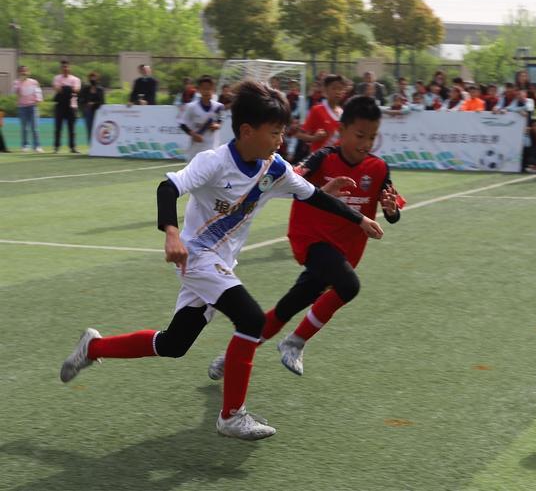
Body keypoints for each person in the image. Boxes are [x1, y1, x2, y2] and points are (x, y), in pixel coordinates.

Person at [59, 80, 384, 441]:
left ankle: (93, 347)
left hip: (220, 264)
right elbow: (168, 188)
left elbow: (311, 197)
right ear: (247, 131)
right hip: (197, 256)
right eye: (274, 132)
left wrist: (358, 218)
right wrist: (170, 232)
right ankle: (232, 416)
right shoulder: (213, 162)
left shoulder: (273, 167)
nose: (280, 141)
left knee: (174, 344)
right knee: (250, 319)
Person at [207, 95, 401, 380]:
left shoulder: (379, 168)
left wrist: (391, 211)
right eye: (360, 135)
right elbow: (290, 180)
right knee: (348, 286)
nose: (366, 143)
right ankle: (294, 342)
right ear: (342, 130)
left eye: (372, 137)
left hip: (345, 253)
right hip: (312, 240)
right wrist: (320, 189)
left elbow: (393, 211)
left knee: (286, 308)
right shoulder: (324, 158)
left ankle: (230, 357)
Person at [178, 75, 225, 162]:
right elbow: (182, 123)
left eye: (209, 88)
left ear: (213, 89)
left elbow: (220, 120)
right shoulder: (191, 106)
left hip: (212, 147)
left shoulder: (218, 106)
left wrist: (217, 125)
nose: (207, 91)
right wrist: (193, 134)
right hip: (196, 147)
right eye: (204, 88)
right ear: (199, 90)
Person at [297, 74, 345, 153]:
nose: (338, 92)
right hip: (318, 159)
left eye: (340, 89)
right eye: (334, 88)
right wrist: (314, 138)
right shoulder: (317, 110)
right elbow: (299, 134)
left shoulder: (342, 113)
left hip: (335, 159)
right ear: (325, 90)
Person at [53, 60, 82, 153]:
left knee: (72, 128)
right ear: (61, 68)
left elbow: (77, 90)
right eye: (63, 67)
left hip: (72, 105)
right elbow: (57, 89)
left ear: (70, 68)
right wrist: (69, 89)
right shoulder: (57, 78)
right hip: (60, 105)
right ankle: (56, 147)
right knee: (58, 127)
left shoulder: (75, 79)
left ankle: (72, 147)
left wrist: (65, 88)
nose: (65, 69)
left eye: (66, 67)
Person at [13, 65, 43, 152]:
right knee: (24, 128)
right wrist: (21, 82)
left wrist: (38, 100)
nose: (24, 72)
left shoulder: (34, 82)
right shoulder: (16, 82)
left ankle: (37, 146)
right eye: (22, 71)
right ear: (19, 72)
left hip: (33, 106)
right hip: (22, 107)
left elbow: (38, 92)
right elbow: (16, 92)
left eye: (25, 71)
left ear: (28, 72)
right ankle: (25, 145)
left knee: (35, 127)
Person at [78, 71, 105, 141]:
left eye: (94, 78)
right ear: (89, 79)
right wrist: (85, 104)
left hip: (98, 112)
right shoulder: (85, 89)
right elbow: (80, 99)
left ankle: (99, 145)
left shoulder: (100, 89)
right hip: (88, 111)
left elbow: (102, 102)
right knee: (89, 128)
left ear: (97, 79)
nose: (93, 79)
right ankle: (91, 145)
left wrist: (94, 103)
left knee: (99, 128)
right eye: (91, 78)